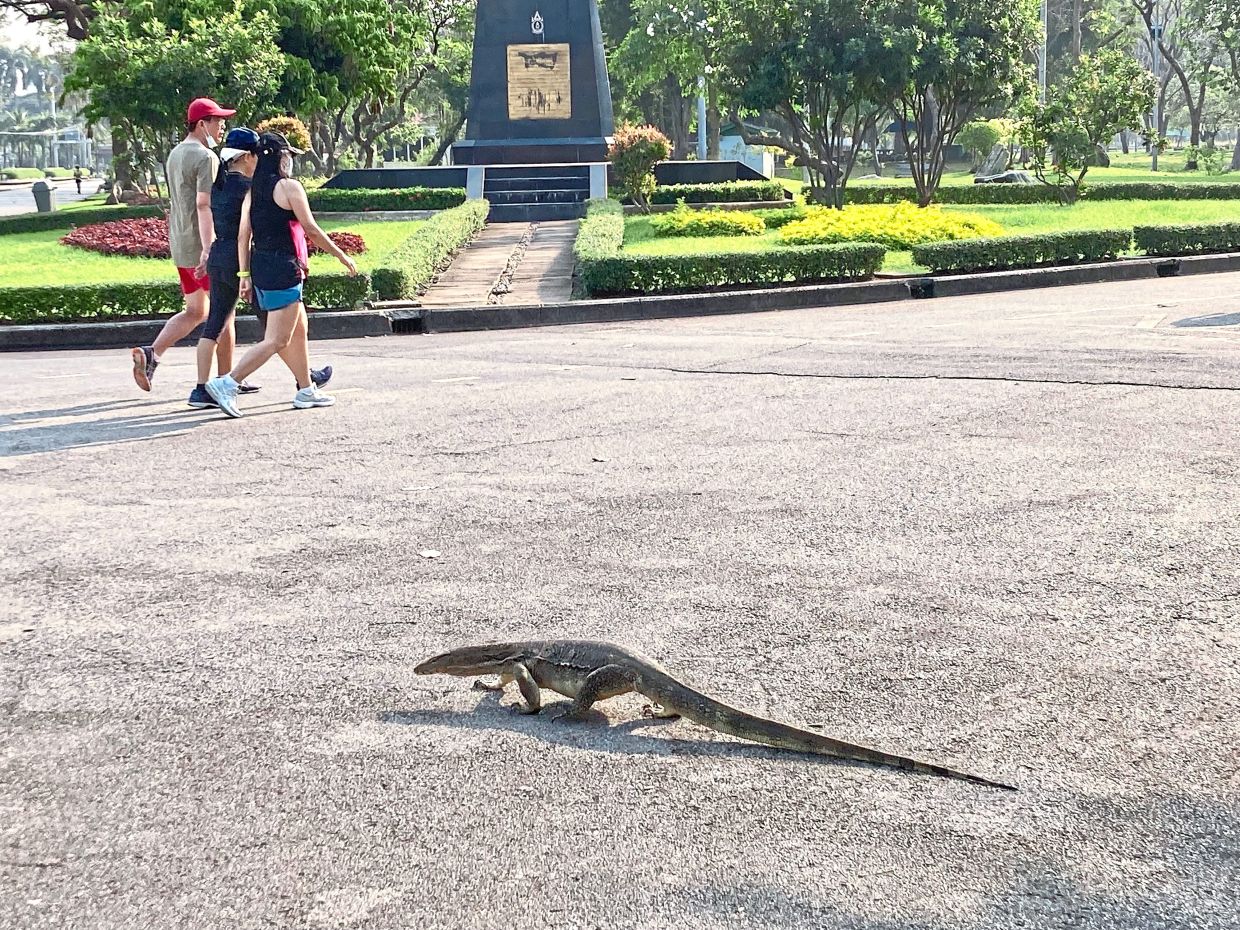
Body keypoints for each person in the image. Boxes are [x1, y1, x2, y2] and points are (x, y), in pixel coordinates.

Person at [205, 131, 355, 417]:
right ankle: (228, 382)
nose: (290, 161)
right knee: (277, 339)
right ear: (278, 158)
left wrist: (245, 275)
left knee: (299, 330)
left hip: (262, 267)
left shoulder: (253, 191)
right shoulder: (288, 188)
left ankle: (305, 389)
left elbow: (242, 237)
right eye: (287, 155)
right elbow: (311, 229)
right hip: (283, 268)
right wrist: (341, 255)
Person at [128, 97, 256, 396]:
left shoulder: (175, 153)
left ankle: (151, 353)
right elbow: (203, 204)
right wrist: (209, 247)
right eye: (217, 121)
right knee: (224, 312)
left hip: (180, 241)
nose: (222, 126)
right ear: (202, 124)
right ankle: (227, 380)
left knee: (196, 310)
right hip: (202, 245)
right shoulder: (206, 157)